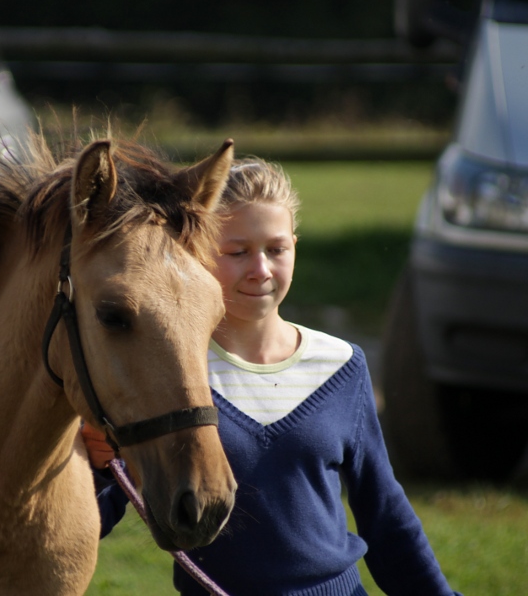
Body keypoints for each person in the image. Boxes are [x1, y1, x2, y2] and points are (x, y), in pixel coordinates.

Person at [82, 158, 461, 596]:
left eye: (276, 249)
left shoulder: (341, 365)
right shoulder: (172, 377)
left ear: (295, 247)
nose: (260, 269)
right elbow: (96, 516)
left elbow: (386, 515)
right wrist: (99, 468)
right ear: (198, 252)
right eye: (237, 251)